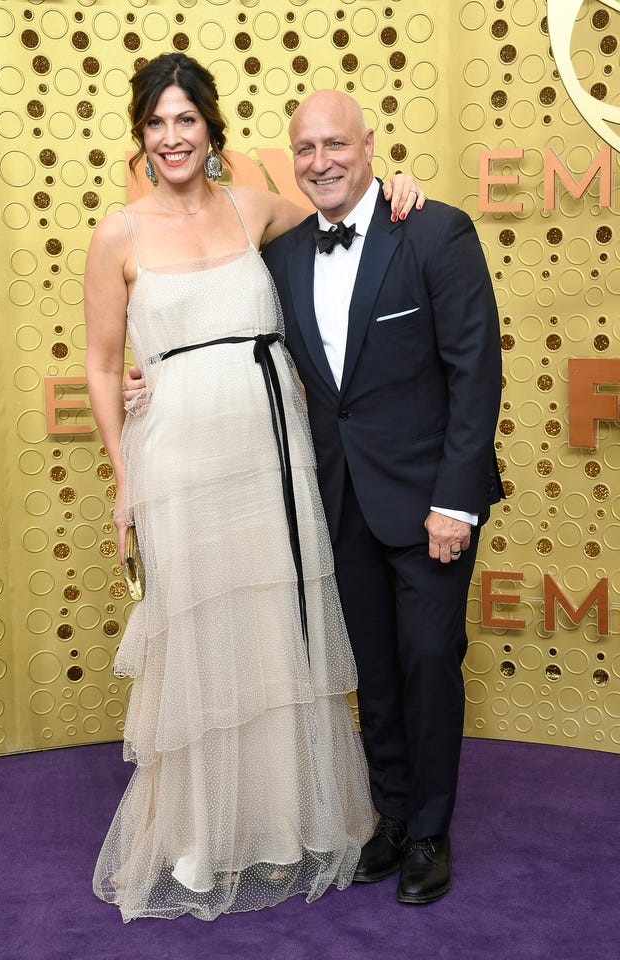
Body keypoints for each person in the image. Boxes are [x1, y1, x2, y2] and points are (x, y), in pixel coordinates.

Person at [85, 52, 424, 923]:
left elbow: (340, 207)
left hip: (273, 452)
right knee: (201, 636)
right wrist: (125, 480)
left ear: (211, 127)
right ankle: (202, 837)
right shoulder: (118, 233)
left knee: (276, 632)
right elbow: (99, 362)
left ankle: (281, 827)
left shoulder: (255, 204)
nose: (172, 138)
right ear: (141, 134)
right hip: (179, 462)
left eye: (186, 120)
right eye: (157, 123)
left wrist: (401, 184)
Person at [260, 90, 504, 905]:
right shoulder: (285, 256)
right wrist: (143, 376)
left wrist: (457, 503)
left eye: (336, 144)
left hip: (433, 503)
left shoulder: (434, 231)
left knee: (430, 661)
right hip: (341, 501)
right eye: (304, 149)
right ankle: (391, 817)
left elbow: (476, 375)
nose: (320, 161)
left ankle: (431, 832)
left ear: (370, 148)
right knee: (375, 670)